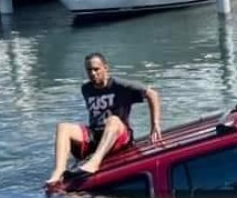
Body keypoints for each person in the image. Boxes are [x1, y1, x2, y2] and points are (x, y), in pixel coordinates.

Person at [46, 52, 162, 187]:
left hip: (119, 136)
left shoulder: (120, 86)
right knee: (63, 127)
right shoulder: (86, 89)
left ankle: (95, 162)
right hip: (96, 136)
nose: (93, 74)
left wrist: (155, 124)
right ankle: (59, 170)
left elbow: (152, 94)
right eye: (89, 70)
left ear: (105, 68)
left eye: (96, 69)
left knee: (112, 119)